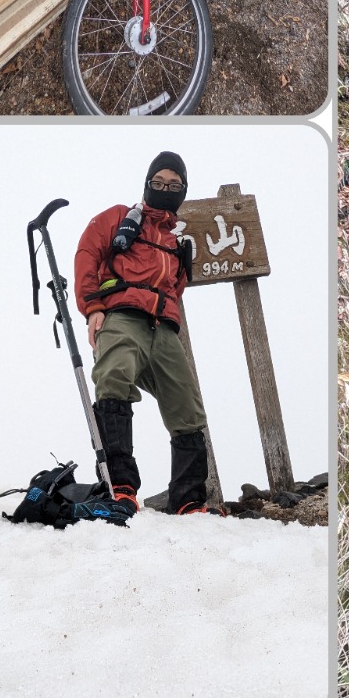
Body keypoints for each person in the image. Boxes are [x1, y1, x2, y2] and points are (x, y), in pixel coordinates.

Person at [74, 151, 225, 517]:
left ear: (183, 191)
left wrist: (166, 315)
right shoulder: (117, 219)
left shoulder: (176, 243)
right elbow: (86, 256)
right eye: (158, 182)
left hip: (163, 328)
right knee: (113, 379)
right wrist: (93, 308)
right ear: (146, 184)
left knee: (187, 404)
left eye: (174, 185)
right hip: (122, 316)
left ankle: (188, 499)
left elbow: (176, 288)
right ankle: (120, 487)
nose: (165, 189)